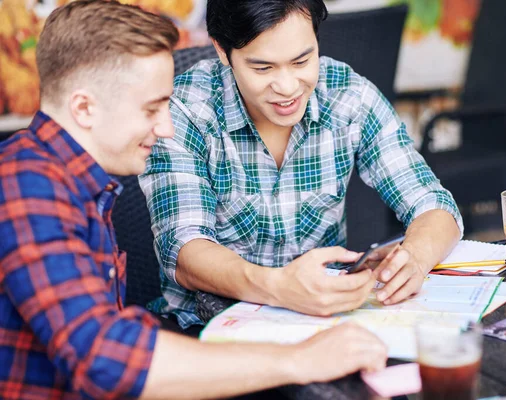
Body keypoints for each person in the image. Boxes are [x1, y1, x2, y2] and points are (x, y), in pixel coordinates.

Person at [0, 1, 388, 399]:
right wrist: (298, 360)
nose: (166, 127)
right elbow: (106, 359)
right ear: (83, 107)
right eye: (152, 109)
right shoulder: (27, 188)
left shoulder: (70, 183)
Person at [140, 0, 464, 330]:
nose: (288, 87)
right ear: (223, 52)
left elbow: (435, 206)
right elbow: (184, 252)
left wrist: (416, 258)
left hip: (322, 323)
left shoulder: (347, 95)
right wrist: (279, 288)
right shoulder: (186, 110)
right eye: (263, 68)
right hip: (207, 329)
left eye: (302, 60)